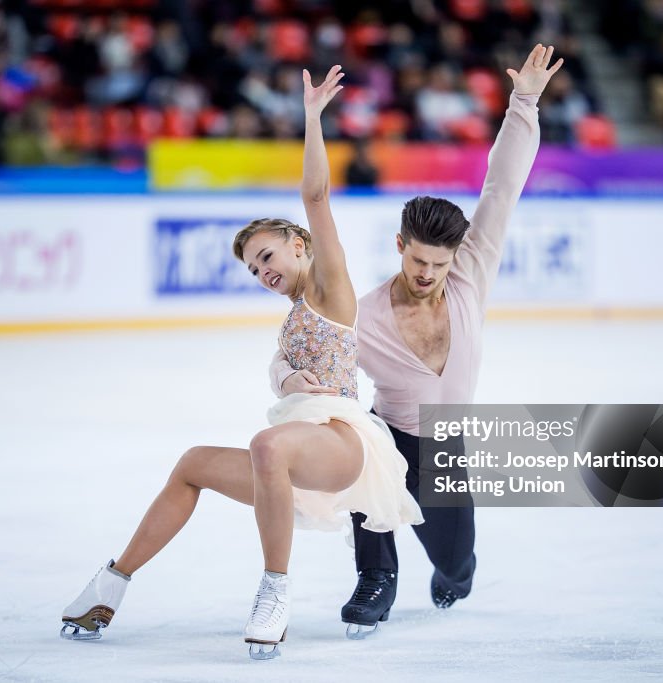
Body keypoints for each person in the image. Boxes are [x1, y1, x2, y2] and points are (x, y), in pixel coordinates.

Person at [59, 65, 422, 660]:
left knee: (266, 445)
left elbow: (315, 196)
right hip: (293, 452)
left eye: (267, 255)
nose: (262, 271)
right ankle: (111, 583)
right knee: (192, 463)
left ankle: (274, 593)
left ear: (299, 245)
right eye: (253, 268)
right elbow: (280, 372)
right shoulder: (292, 317)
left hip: (340, 444)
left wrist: (310, 118)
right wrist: (285, 374)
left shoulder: (331, 290)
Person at [270, 44, 562, 637]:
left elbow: (501, 189)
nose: (428, 273)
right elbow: (294, 348)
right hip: (389, 434)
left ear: (455, 257)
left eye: (439, 262)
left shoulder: (470, 276)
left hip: (447, 447)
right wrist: (287, 378)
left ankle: (452, 572)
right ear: (400, 246)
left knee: (456, 562)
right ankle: (375, 580)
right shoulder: (366, 312)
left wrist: (524, 101)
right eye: (419, 259)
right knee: (361, 456)